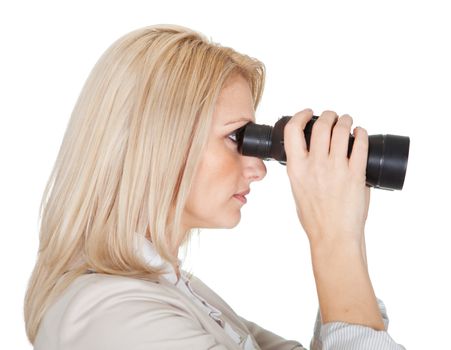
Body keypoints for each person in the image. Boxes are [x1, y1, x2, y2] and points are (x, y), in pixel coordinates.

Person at [24, 24, 405, 349]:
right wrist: (333, 239)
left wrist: (345, 231)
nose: (258, 169)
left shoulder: (171, 290)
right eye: (237, 137)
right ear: (158, 143)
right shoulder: (109, 315)